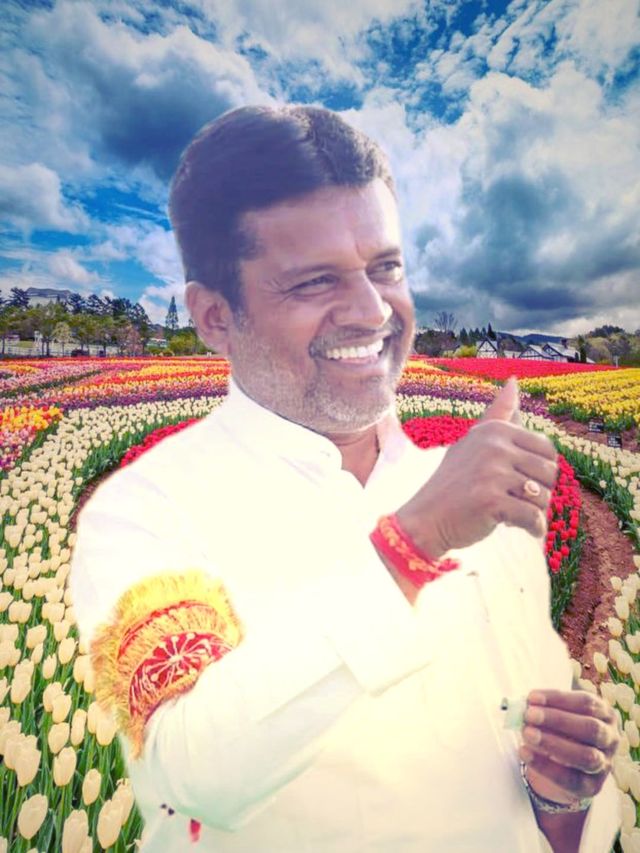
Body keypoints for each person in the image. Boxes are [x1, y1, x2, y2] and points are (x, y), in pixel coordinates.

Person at [70, 105, 620, 852]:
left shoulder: (479, 501)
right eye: (313, 281)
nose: (371, 311)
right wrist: (414, 542)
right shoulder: (149, 510)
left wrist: (561, 799)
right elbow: (191, 772)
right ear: (214, 316)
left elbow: (528, 797)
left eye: (386, 267)